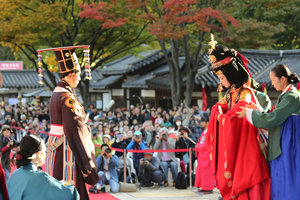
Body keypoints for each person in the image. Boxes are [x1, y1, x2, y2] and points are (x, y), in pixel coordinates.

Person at [205, 38, 270, 200]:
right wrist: (219, 114)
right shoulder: (232, 93)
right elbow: (217, 108)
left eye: (221, 78)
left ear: (230, 74)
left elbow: (237, 115)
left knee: (247, 175)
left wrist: (222, 117)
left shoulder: (246, 93)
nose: (220, 82)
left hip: (247, 145)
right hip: (239, 143)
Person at [42, 46, 99, 200]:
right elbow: (75, 133)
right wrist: (88, 165)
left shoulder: (56, 94)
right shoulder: (67, 99)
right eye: (78, 75)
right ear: (72, 74)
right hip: (66, 149)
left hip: (55, 146)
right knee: (69, 189)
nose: (79, 79)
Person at [237, 64, 300, 200]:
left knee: (288, 176)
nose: (271, 83)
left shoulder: (292, 96)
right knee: (283, 177)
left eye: (273, 79)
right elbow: (275, 116)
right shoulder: (287, 95)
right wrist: (258, 110)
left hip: (290, 144)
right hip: (284, 141)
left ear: (283, 78)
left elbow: (274, 118)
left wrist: (250, 113)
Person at [7, 135, 79, 200]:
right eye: (45, 150)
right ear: (39, 154)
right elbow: (70, 194)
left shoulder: (14, 174)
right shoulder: (40, 178)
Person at [194, 114, 214, 194]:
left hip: (207, 155)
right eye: (201, 121)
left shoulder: (210, 131)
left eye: (203, 122)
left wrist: (198, 146)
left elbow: (208, 144)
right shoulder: (204, 132)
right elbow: (200, 141)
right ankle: (203, 187)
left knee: (207, 172)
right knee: (202, 172)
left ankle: (209, 188)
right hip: (202, 155)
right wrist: (197, 145)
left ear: (207, 123)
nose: (201, 123)